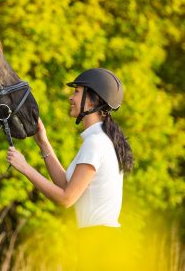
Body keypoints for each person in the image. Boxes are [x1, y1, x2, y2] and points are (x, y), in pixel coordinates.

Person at [7, 68, 134, 270]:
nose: (70, 97)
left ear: (91, 101)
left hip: (99, 243)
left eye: (77, 92)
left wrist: (25, 168)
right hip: (99, 241)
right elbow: (66, 184)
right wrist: (43, 143)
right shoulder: (99, 141)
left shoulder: (96, 144)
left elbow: (66, 198)